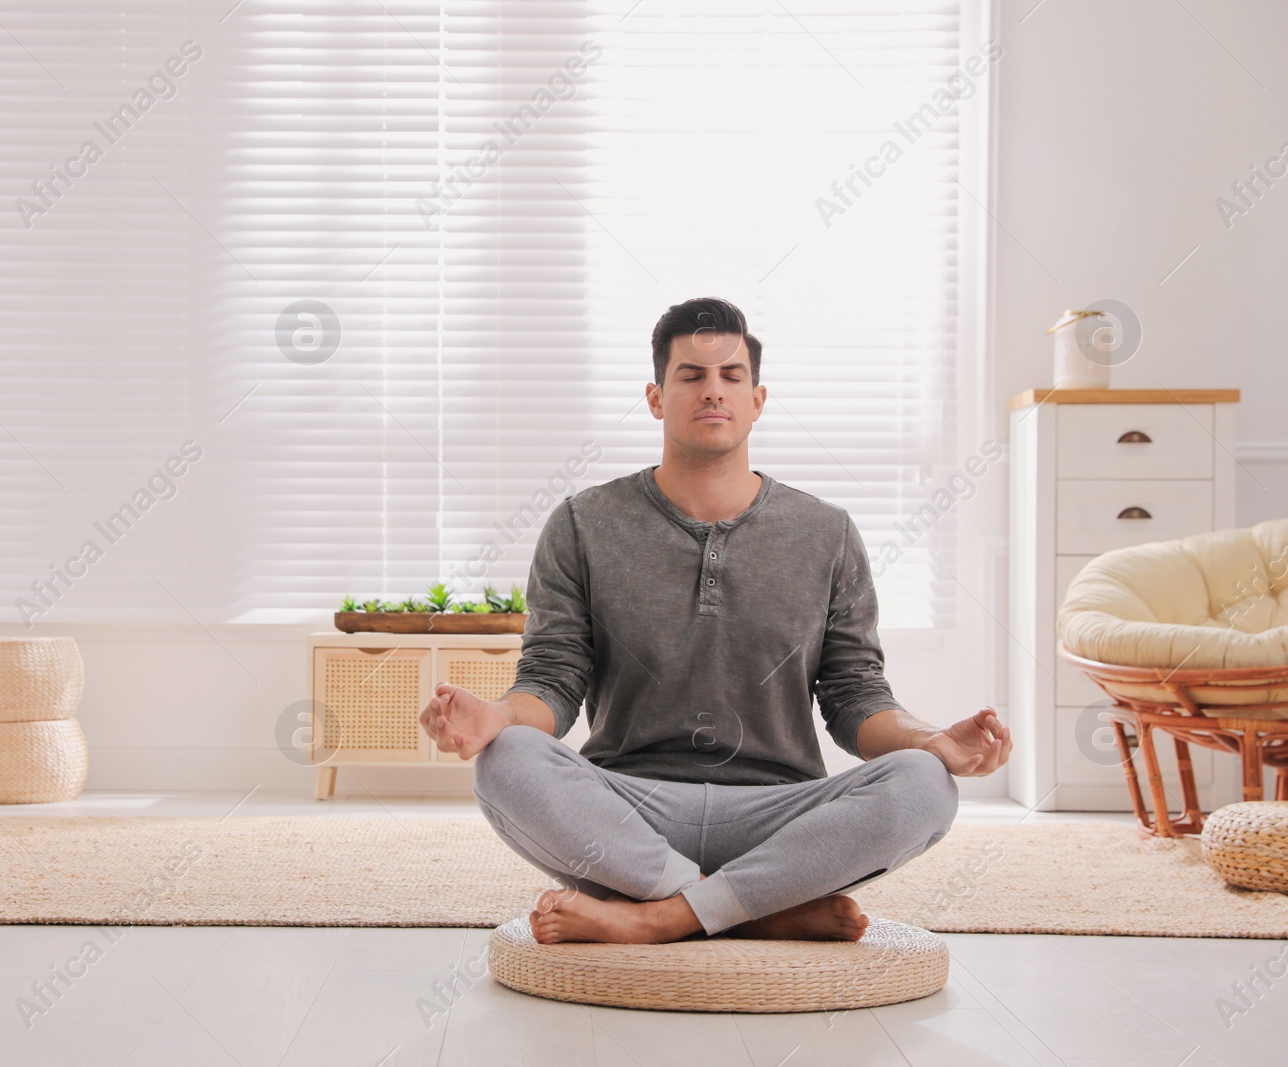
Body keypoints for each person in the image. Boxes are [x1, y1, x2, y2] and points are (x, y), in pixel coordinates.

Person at [419, 296, 1010, 945]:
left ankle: (662, 915)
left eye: (731, 376)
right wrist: (494, 718)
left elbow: (855, 698)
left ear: (757, 399)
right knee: (506, 760)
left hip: (781, 814)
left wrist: (933, 741)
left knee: (925, 783)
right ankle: (759, 906)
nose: (713, 391)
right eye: (691, 375)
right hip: (630, 810)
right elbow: (553, 682)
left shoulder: (827, 532)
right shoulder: (583, 523)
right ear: (655, 396)